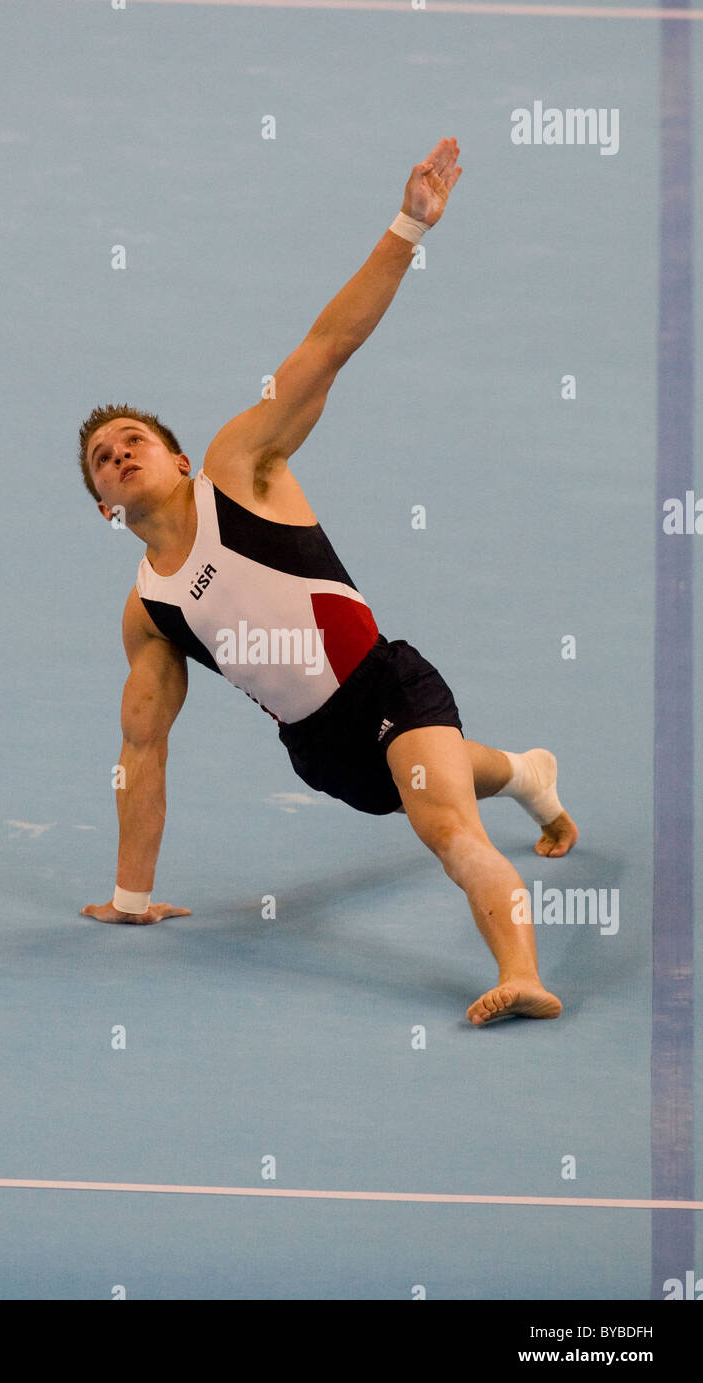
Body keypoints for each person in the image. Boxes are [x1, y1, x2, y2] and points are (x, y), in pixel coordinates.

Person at [79, 138, 577, 1026]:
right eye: (102, 461)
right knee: (445, 780)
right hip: (321, 754)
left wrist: (408, 225)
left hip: (386, 685)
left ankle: (521, 972)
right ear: (103, 507)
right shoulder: (148, 612)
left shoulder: (239, 466)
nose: (118, 454)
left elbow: (327, 346)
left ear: (181, 456)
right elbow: (143, 751)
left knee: (447, 829)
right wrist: (129, 894)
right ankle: (532, 774)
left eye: (133, 441)